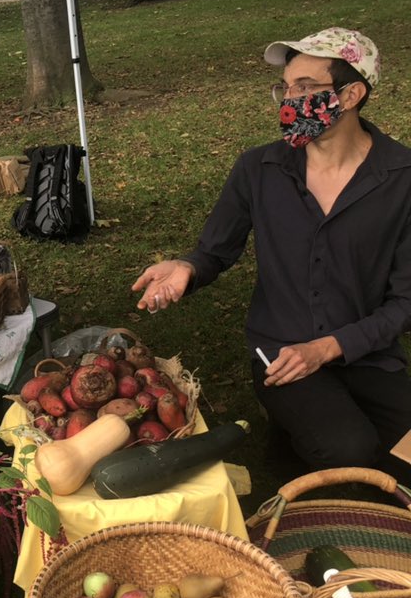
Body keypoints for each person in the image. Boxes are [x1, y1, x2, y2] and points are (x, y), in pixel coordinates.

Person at [132, 28, 411, 482]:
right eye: (285, 87)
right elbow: (214, 251)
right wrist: (186, 266)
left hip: (368, 351)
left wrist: (327, 348)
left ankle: (297, 453)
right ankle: (306, 466)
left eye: (305, 88)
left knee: (405, 458)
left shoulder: (402, 178)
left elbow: (406, 302)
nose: (289, 99)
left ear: (352, 93)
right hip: (281, 354)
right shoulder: (259, 168)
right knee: (352, 452)